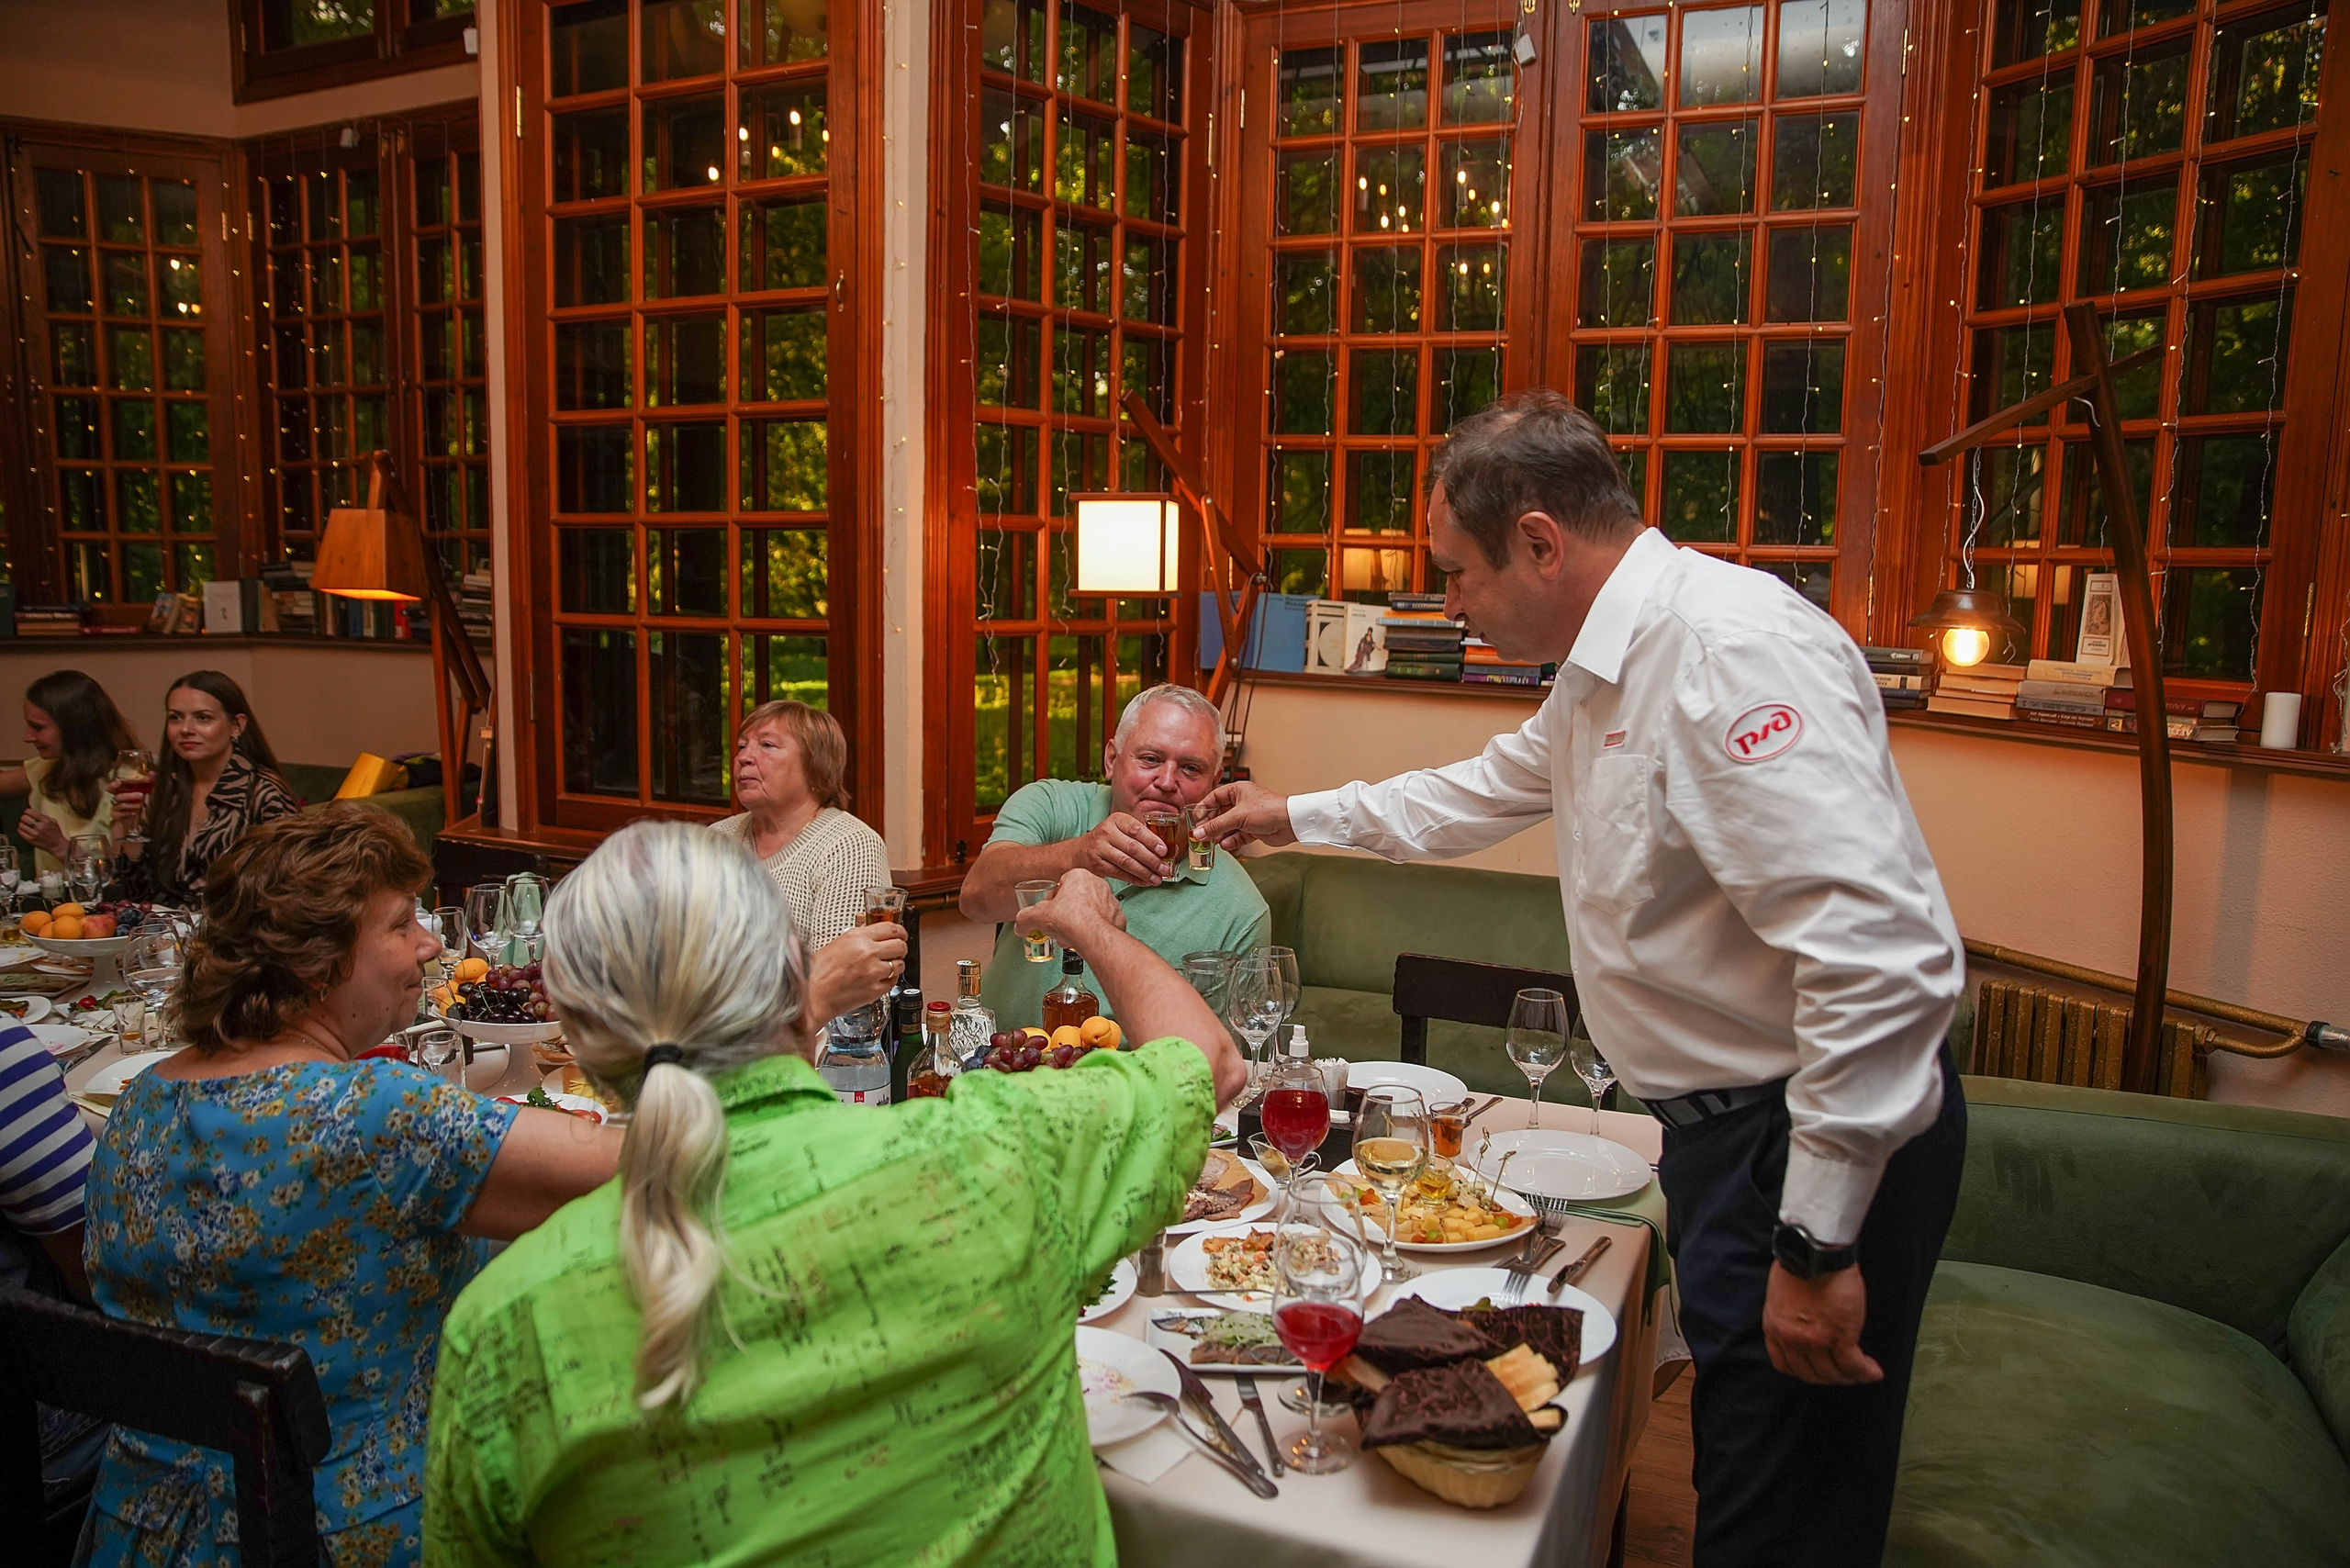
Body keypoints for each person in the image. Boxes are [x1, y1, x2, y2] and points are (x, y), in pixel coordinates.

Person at [1197, 389, 1968, 1567]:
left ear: (1541, 541)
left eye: (1457, 573)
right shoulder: (1599, 666)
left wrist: (1816, 1243)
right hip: (1719, 1140)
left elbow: (1882, 962)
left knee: (1785, 1510)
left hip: (1806, 1139)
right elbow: (1475, 791)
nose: (1448, 603)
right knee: (1742, 1468)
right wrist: (1291, 814)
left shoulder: (1722, 649)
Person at [423, 825, 1246, 1566]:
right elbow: (1206, 1060)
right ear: (796, 972)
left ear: (583, 1044)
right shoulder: (993, 1155)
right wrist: (1088, 924)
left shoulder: (502, 1330)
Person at [78, 805, 624, 1568]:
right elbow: (649, 1169)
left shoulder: (139, 1101)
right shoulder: (369, 1114)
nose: (431, 944)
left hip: (141, 1531)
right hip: (345, 1535)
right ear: (317, 963)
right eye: (402, 924)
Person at [959, 683, 1269, 1030]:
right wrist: (1079, 855)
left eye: (1190, 769)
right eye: (1150, 759)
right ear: (1111, 759)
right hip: (1002, 1068)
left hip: (1137, 1079)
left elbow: (1226, 1058)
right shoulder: (1049, 805)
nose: (1166, 781)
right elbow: (975, 899)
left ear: (1214, 782)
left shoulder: (1240, 909)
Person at [108, 669, 302, 904]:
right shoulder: (163, 789)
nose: (186, 729)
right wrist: (127, 826)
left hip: (236, 934)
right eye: (175, 718)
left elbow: (291, 891)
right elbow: (137, 897)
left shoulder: (263, 793)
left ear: (236, 726)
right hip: (166, 933)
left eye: (203, 718)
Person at [711, 699, 890, 948]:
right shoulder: (716, 837)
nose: (743, 757)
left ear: (815, 765)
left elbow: (839, 975)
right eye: (742, 745)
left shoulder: (850, 845)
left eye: (767, 744)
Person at [3, 669, 140, 878]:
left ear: (74, 728)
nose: (27, 737)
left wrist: (58, 846)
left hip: (99, 907)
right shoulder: (46, 767)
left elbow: (120, 878)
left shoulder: (126, 784)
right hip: (50, 905)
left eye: (37, 728)